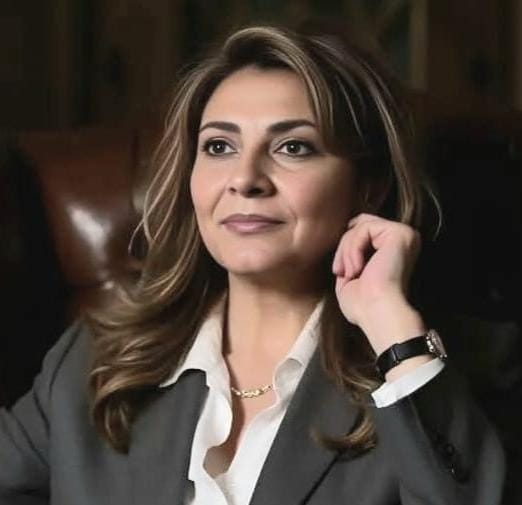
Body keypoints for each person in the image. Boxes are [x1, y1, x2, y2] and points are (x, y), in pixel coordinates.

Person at [0, 23, 505, 505]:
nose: (245, 178)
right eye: (219, 146)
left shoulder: (464, 372)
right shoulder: (95, 360)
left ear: (367, 186)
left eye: (293, 147)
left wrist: (389, 324)